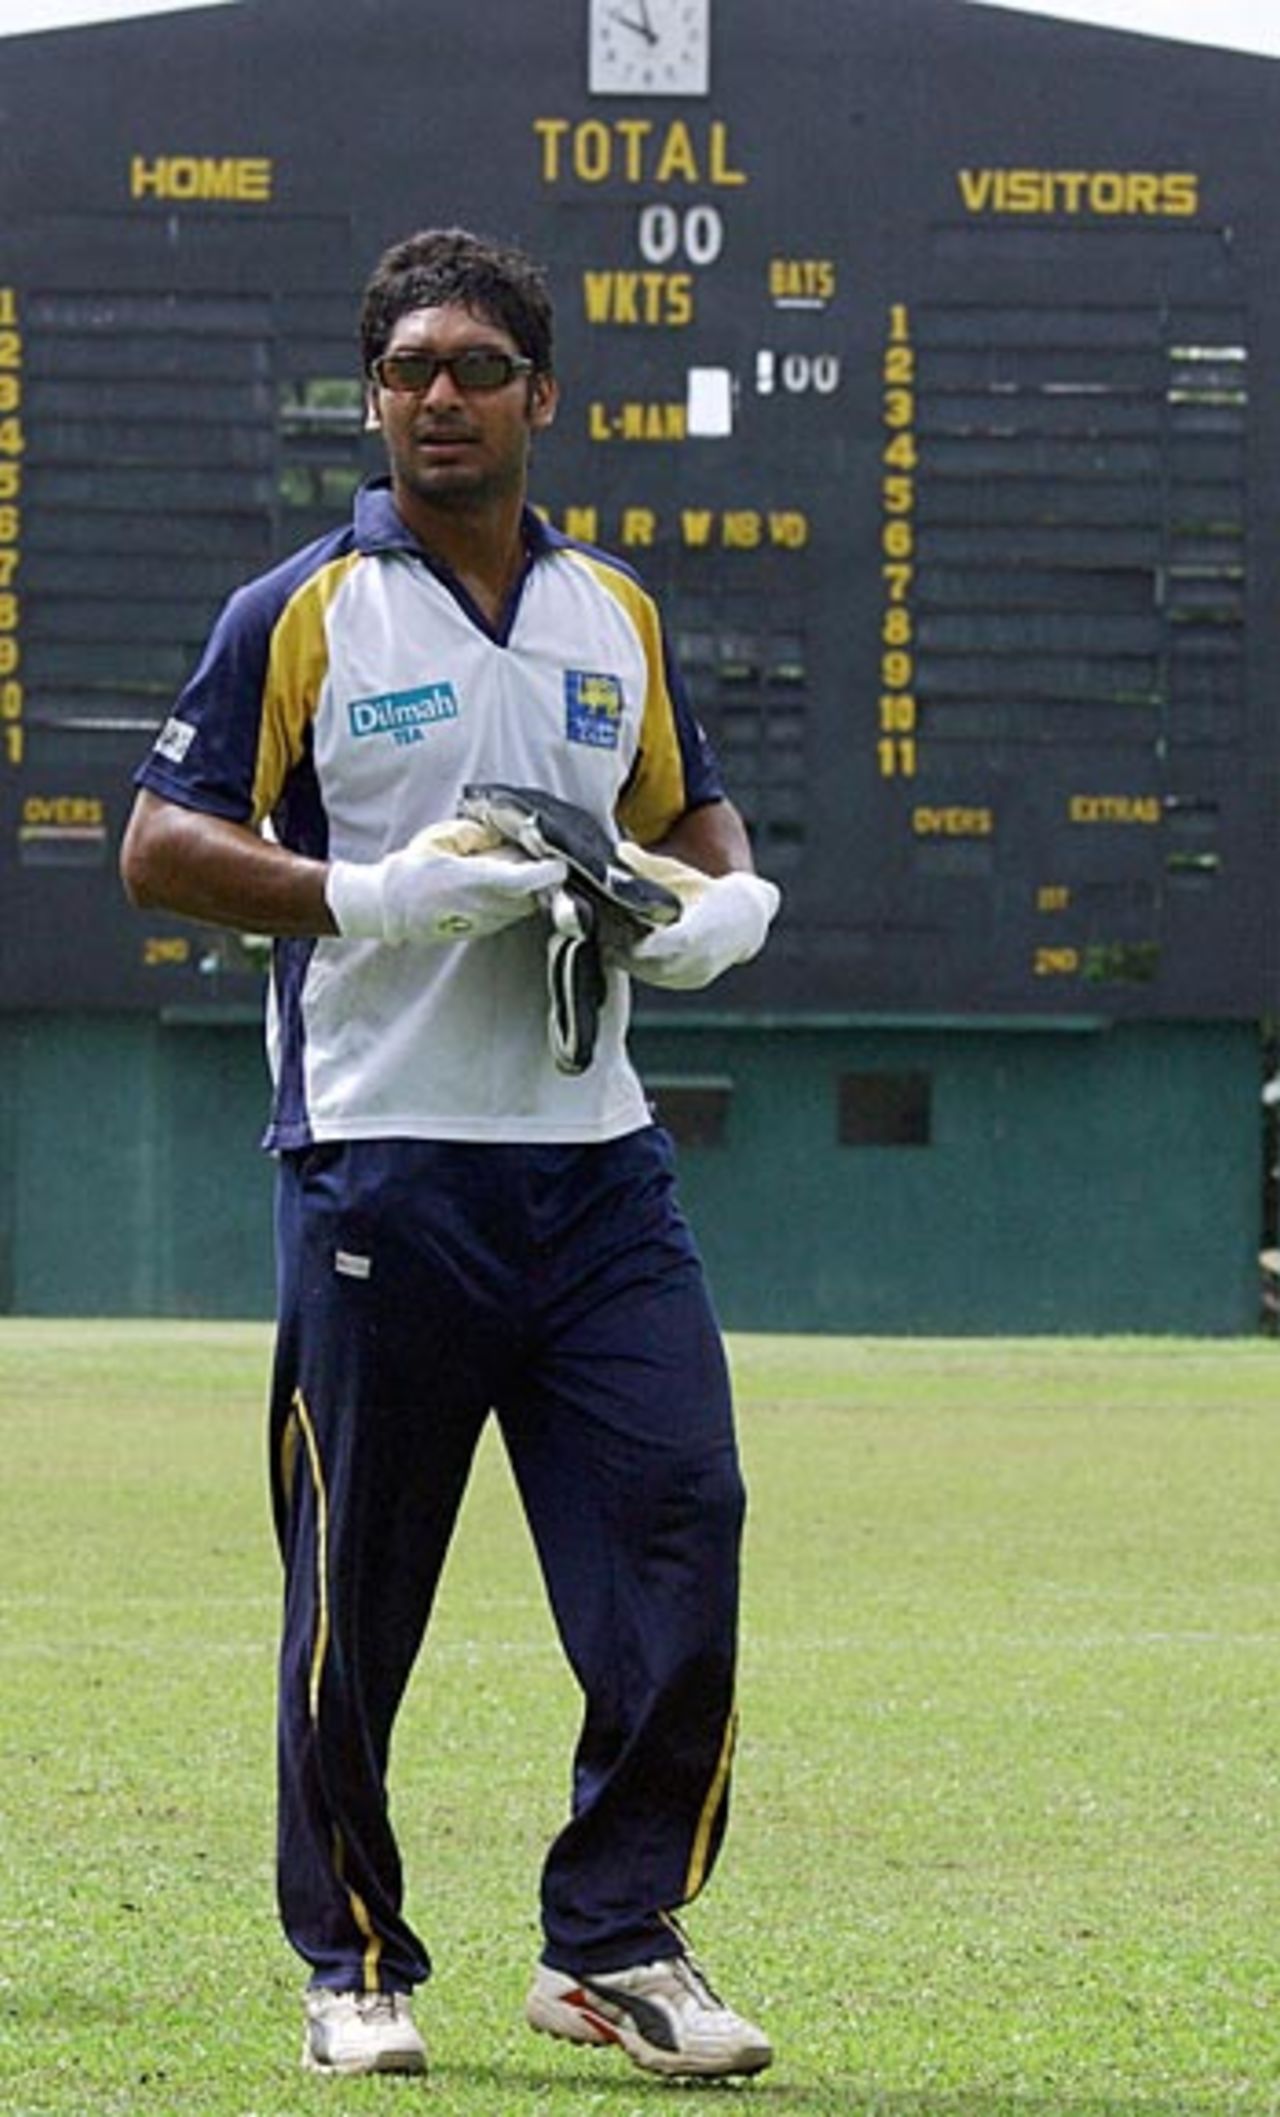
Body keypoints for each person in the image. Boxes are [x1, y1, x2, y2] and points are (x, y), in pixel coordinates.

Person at [120, 226, 780, 2082]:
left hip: (597, 1168)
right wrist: (367, 894)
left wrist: (723, 903)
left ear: (540, 395)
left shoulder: (614, 612)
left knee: (682, 1526)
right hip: (382, 1173)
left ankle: (616, 1941)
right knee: (359, 1594)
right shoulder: (307, 607)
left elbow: (686, 805)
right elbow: (161, 844)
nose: (438, 396)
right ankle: (350, 1957)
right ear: (375, 396)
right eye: (407, 368)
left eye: (475, 366)